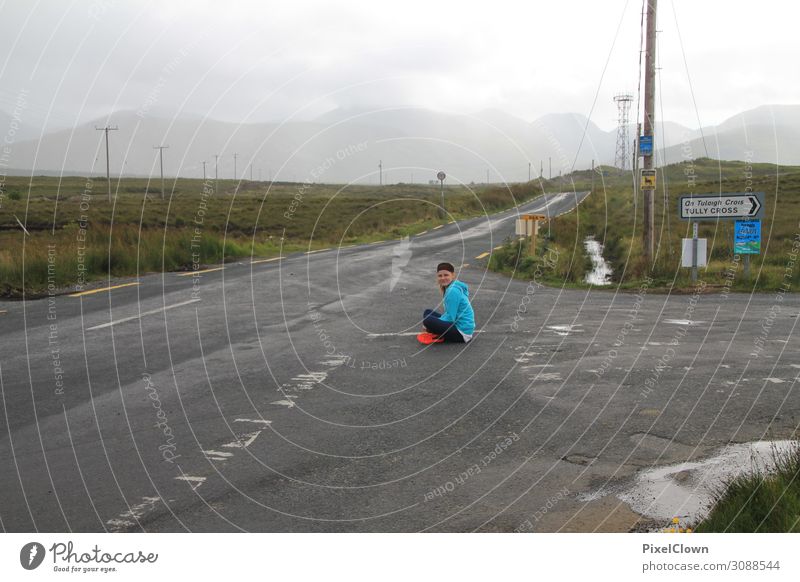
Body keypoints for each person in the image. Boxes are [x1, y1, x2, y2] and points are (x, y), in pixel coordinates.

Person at [422, 262, 475, 343]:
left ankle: (439, 334)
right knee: (428, 312)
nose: (443, 278)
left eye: (446, 275)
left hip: (462, 333)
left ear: (452, 275)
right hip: (460, 326)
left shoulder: (452, 291)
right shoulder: (452, 287)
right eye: (440, 276)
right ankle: (437, 331)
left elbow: (451, 317)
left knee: (427, 320)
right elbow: (450, 314)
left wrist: (431, 325)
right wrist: (438, 323)